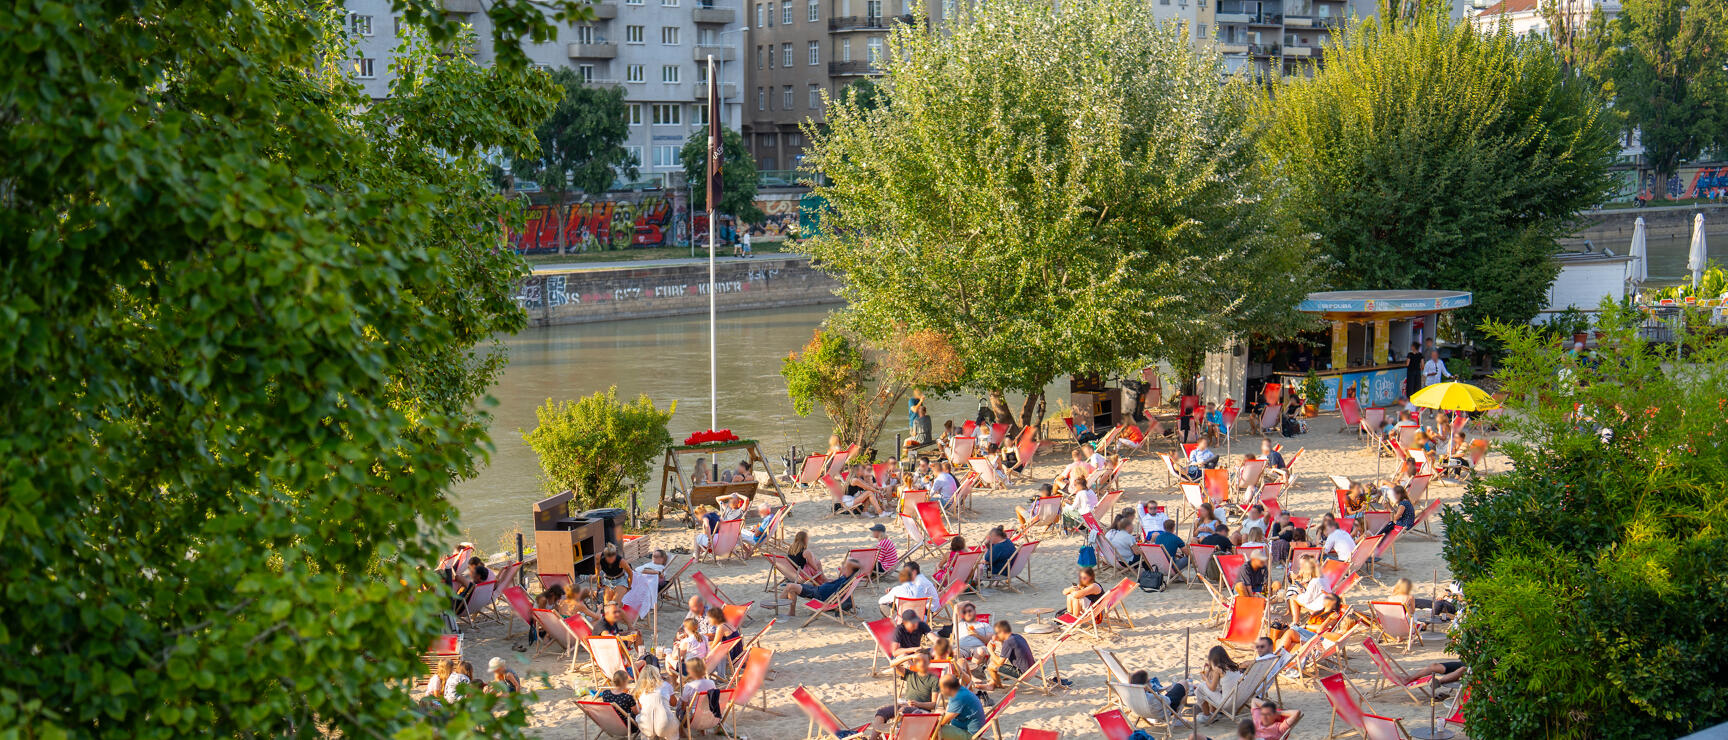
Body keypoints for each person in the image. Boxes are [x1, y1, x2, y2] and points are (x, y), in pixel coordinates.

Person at [866, 651, 942, 739]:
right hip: (904, 706)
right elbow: (893, 664)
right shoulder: (910, 674)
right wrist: (911, 656)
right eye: (919, 660)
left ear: (929, 662)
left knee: (903, 710)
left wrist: (918, 704)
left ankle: (894, 732)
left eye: (924, 661)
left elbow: (933, 704)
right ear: (915, 662)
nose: (922, 663)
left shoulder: (934, 679)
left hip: (920, 712)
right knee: (881, 712)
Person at [782, 559, 860, 616]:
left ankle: (777, 605)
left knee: (790, 586)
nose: (843, 567)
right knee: (790, 587)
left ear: (851, 570)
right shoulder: (846, 577)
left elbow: (838, 595)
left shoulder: (846, 580)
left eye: (846, 567)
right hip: (817, 589)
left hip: (819, 595)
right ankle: (784, 608)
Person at [1192, 646, 1245, 721]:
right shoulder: (1233, 667)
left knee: (1200, 688)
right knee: (1215, 687)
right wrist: (1210, 667)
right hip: (1237, 701)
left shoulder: (1218, 669)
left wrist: (1205, 678)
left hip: (1226, 704)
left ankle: (1207, 716)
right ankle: (1213, 712)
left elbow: (1212, 688)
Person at [985, 620, 1034, 689]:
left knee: (991, 666)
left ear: (1002, 632)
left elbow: (1000, 663)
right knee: (995, 661)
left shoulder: (1008, 642)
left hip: (1023, 673)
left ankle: (998, 686)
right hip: (1032, 669)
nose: (995, 635)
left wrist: (990, 650)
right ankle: (995, 681)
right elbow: (1005, 653)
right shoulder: (1016, 636)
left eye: (996, 633)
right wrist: (999, 640)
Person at [937, 676, 987, 740]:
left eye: (941, 688)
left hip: (970, 734)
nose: (940, 690)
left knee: (936, 730)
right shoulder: (960, 690)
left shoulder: (958, 697)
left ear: (947, 688)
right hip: (971, 728)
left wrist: (934, 723)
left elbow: (943, 722)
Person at [634, 670, 679, 739]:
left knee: (642, 716)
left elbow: (641, 707)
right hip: (665, 725)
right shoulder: (666, 685)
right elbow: (674, 703)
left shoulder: (639, 688)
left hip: (647, 726)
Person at [1284, 556, 1328, 625]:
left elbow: (1306, 600)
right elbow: (1315, 592)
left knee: (1293, 597)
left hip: (1319, 607)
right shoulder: (1322, 577)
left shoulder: (1314, 581)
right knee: (1295, 594)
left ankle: (1296, 622)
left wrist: (1300, 594)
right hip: (1326, 603)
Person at [889, 610, 932, 676]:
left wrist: (941, 644)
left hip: (916, 654)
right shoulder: (899, 630)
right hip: (902, 657)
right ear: (905, 622)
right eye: (912, 623)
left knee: (934, 650)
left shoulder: (920, 625)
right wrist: (913, 649)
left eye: (916, 622)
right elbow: (895, 652)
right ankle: (917, 677)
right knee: (904, 656)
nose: (915, 624)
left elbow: (932, 636)